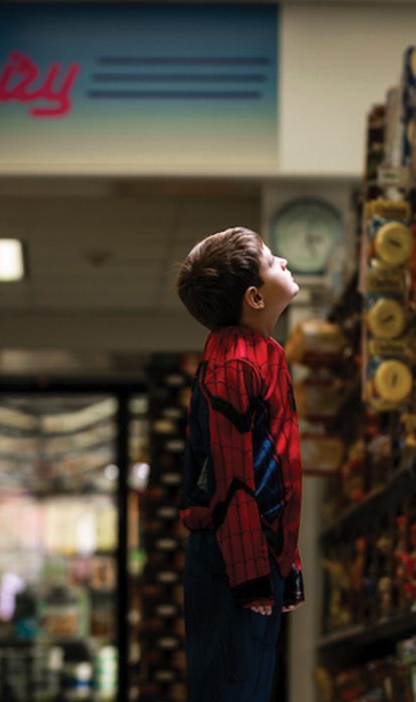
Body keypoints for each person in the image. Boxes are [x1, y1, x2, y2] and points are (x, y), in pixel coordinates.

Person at [173, 226, 304, 701]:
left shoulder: (262, 355)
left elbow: (274, 469)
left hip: (253, 550)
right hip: (233, 558)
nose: (284, 262)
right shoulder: (235, 363)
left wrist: (286, 563)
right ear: (254, 296)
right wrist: (252, 577)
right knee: (233, 687)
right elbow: (232, 477)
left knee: (250, 683)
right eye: (272, 261)